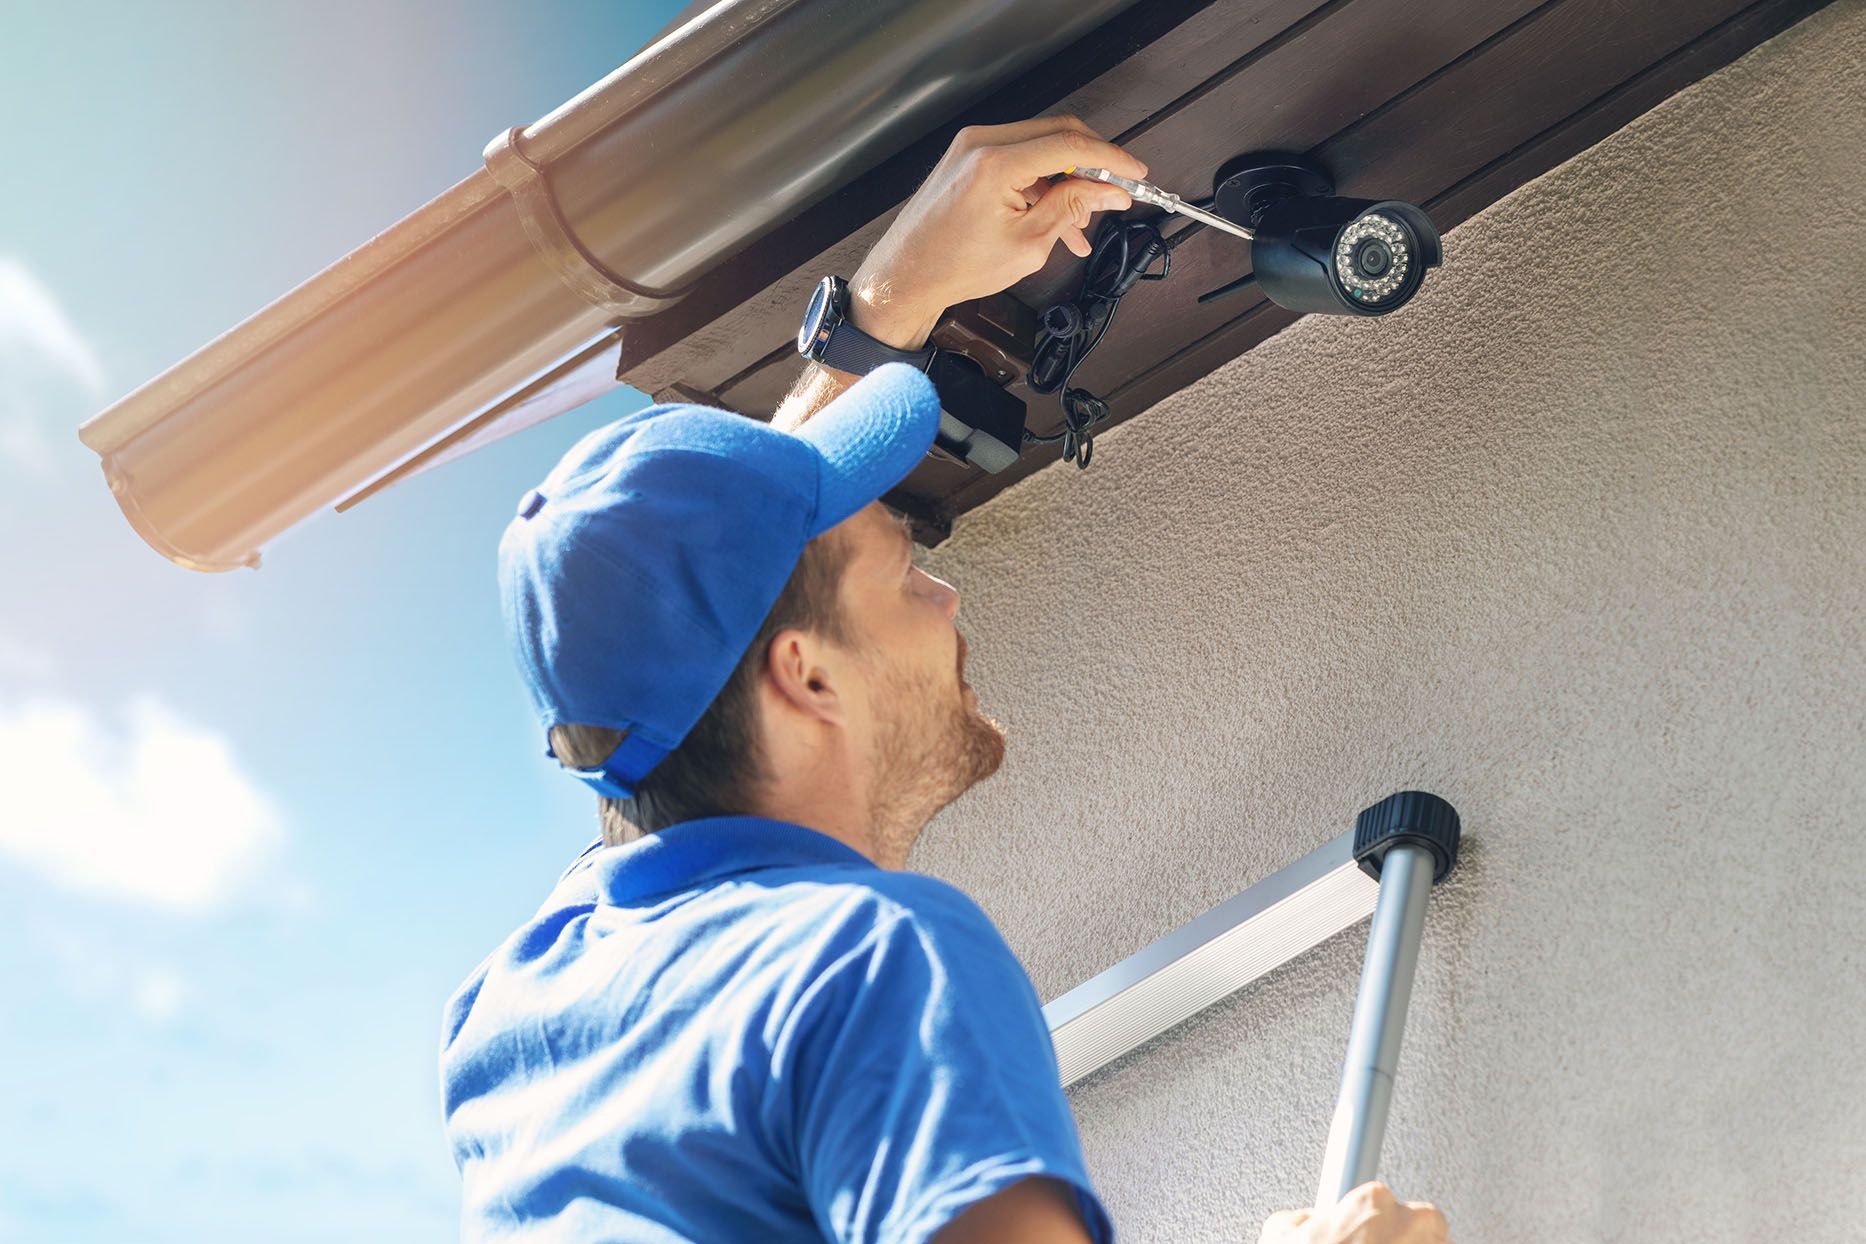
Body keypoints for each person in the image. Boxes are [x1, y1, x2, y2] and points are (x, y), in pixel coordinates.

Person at [439, 113, 1452, 1244]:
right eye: (904, 570)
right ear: (806, 678)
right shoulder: (874, 958)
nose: (948, 598)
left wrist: (885, 301)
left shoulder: (518, 1012)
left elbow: (684, 651)